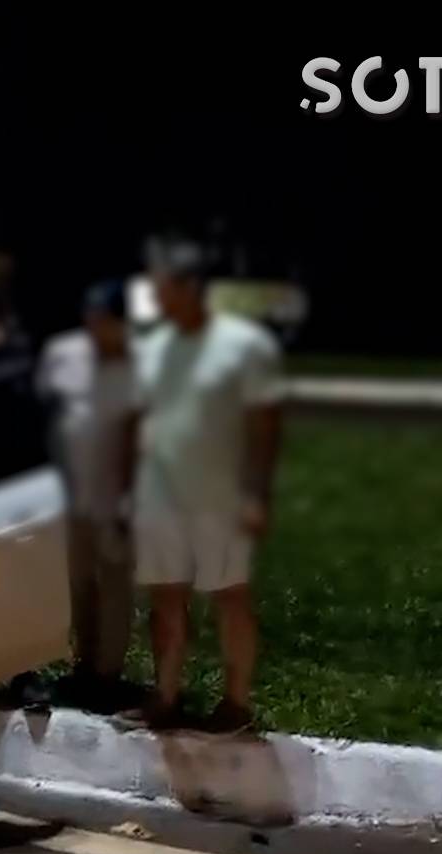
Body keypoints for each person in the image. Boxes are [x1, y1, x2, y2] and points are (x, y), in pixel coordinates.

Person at [129, 239, 285, 731]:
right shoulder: (152, 347)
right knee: (166, 599)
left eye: (163, 286)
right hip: (160, 492)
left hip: (221, 494)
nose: (156, 295)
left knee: (229, 596)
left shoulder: (244, 346)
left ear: (191, 287)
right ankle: (167, 698)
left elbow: (265, 424)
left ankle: (236, 704)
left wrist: (257, 493)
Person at [39, 280, 138, 712]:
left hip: (119, 496)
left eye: (107, 322)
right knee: (77, 583)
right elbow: (46, 413)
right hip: (69, 493)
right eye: (92, 320)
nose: (97, 329)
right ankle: (81, 665)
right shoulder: (63, 352)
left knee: (115, 584)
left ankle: (107, 676)